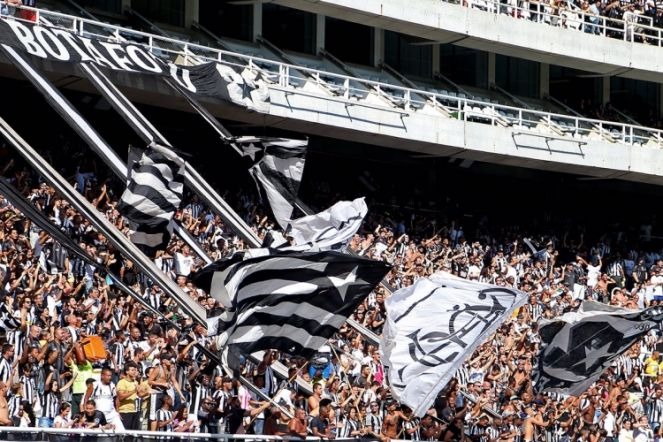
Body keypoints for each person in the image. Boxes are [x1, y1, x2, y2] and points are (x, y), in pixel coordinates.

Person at [116, 362, 140, 430]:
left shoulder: (135, 382)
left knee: (134, 434)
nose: (135, 372)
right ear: (127, 371)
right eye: (132, 370)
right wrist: (134, 391)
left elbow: (138, 395)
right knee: (126, 434)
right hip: (125, 411)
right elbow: (120, 397)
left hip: (135, 411)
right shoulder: (122, 382)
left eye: (135, 370)